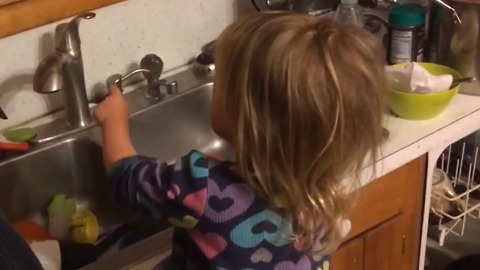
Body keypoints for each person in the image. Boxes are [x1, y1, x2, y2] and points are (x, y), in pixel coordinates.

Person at [94, 12, 386, 270]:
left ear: (247, 115)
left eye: (221, 80)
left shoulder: (202, 187)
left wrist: (114, 121)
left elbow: (127, 176)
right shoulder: (322, 191)